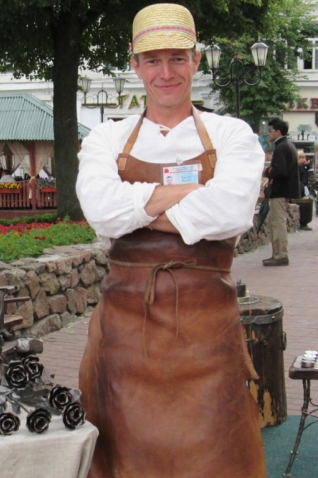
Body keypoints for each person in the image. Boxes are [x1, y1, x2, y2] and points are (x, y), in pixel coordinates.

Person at [76, 4, 266, 477]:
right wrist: (192, 194)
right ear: (135, 64)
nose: (166, 72)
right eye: (153, 60)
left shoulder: (231, 134)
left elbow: (232, 212)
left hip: (208, 336)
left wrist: (138, 209)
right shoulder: (106, 137)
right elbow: (100, 210)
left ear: (196, 60)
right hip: (123, 339)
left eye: (177, 58)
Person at [263, 118, 300, 266]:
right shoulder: (288, 145)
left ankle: (280, 255)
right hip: (284, 190)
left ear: (278, 132)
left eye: (270, 130)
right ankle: (278, 254)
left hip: (279, 190)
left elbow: (281, 171)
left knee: (277, 223)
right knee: (278, 222)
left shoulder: (281, 147)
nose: (269, 133)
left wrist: (266, 171)